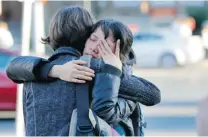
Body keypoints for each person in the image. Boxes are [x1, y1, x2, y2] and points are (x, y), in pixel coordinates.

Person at [6, 6, 161, 136]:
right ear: (85, 36)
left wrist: (53, 69)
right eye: (93, 39)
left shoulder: (33, 74)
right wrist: (116, 70)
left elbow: (12, 67)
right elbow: (152, 94)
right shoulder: (94, 69)